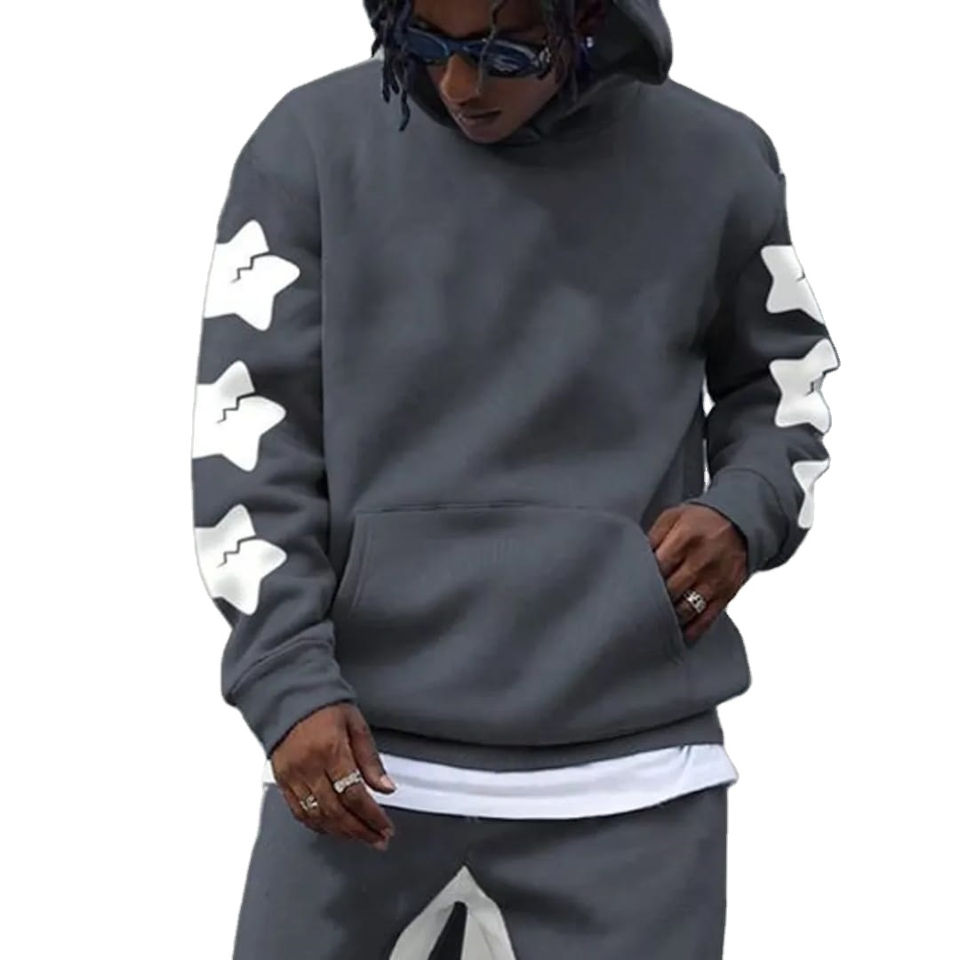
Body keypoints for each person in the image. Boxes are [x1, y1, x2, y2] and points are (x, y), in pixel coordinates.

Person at [190, 0, 841, 956]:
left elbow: (784, 387)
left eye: (507, 51)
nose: (461, 86)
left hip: (632, 778)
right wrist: (285, 680)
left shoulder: (718, 160)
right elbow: (251, 436)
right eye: (426, 43)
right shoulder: (310, 147)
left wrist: (746, 511)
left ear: (590, 18)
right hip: (361, 760)